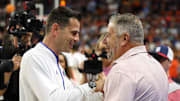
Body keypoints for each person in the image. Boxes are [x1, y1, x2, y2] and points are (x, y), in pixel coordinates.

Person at [20, 6, 104, 101]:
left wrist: (103, 92)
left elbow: (71, 96)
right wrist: (93, 85)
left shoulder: (56, 62)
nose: (77, 39)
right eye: (74, 33)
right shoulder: (33, 58)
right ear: (55, 29)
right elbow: (53, 99)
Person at [103, 13, 168, 101]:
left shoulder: (121, 71)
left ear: (124, 39)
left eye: (109, 35)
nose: (105, 41)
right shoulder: (157, 65)